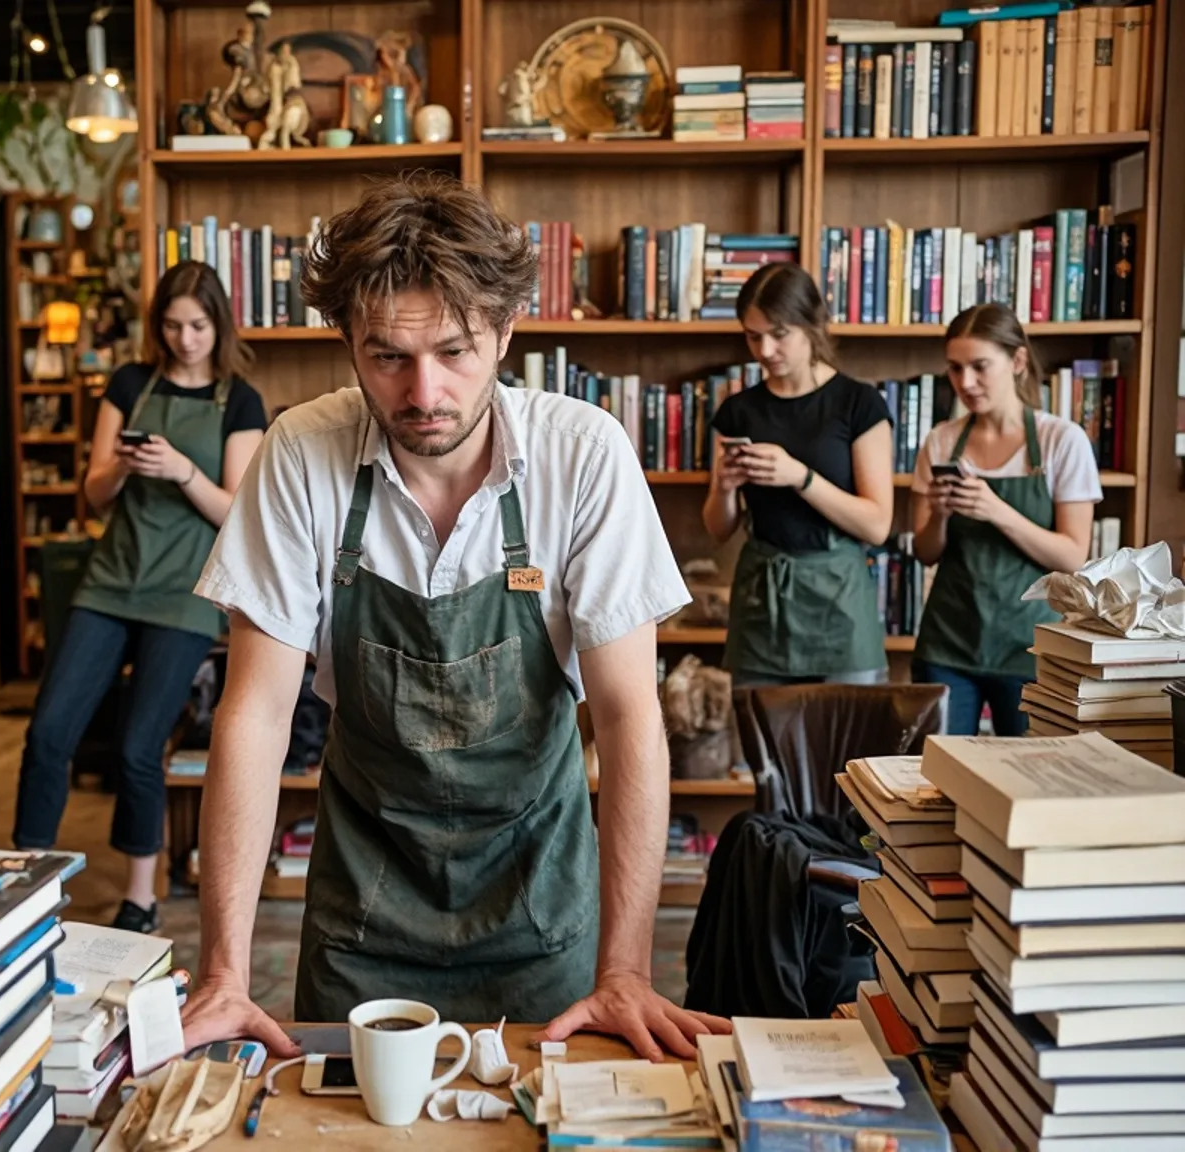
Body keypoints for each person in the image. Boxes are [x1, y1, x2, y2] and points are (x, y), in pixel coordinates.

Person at [180, 172, 730, 1060]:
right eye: (387, 357)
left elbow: (631, 720)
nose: (423, 391)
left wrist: (624, 970)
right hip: (364, 916)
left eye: (455, 351)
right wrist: (223, 975)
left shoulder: (582, 456)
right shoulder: (301, 454)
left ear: (506, 332)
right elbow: (255, 714)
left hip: (539, 910)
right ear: (349, 345)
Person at [13, 261, 267, 932]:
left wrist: (182, 470)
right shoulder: (130, 382)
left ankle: (141, 897)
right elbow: (91, 493)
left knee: (137, 746)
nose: (185, 339)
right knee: (48, 733)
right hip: (110, 579)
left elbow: (237, 512)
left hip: (184, 594)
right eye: (173, 326)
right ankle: (25, 882)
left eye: (198, 326)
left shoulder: (240, 399)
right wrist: (122, 470)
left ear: (219, 326)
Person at [702, 262, 895, 687]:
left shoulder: (858, 403)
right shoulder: (738, 411)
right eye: (753, 336)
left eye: (779, 334)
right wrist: (725, 488)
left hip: (840, 601)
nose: (765, 350)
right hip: (761, 601)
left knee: (849, 746)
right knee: (757, 749)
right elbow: (718, 529)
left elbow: (877, 525)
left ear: (814, 325)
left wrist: (800, 477)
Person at [911, 303, 1100, 735]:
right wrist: (939, 516)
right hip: (948, 644)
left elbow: (1073, 557)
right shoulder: (941, 442)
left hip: (1032, 647)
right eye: (955, 370)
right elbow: (924, 552)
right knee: (935, 779)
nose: (966, 383)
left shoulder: (1061, 440)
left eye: (979, 367)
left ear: (1017, 361)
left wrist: (995, 511)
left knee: (1030, 781)